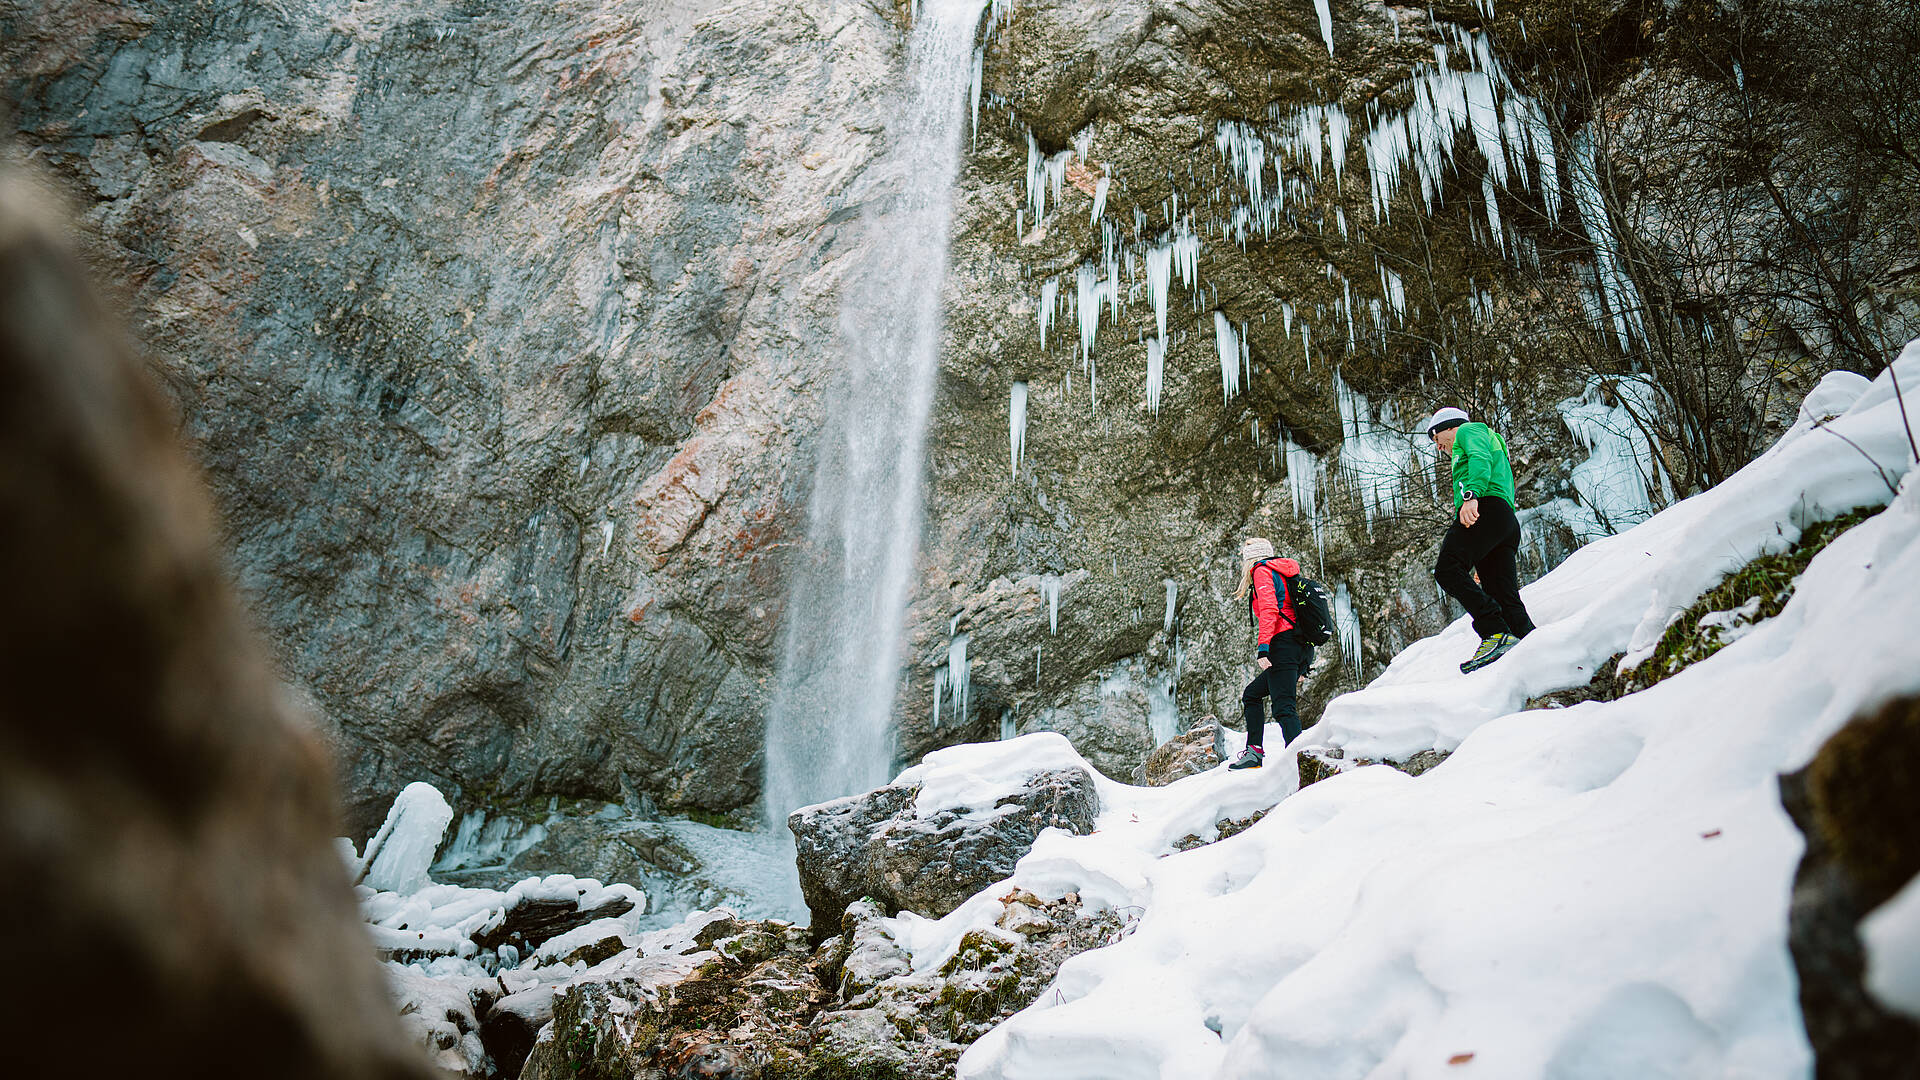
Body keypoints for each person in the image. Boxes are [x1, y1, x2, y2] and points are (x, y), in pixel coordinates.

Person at [1423, 406, 1536, 674]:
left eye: (1437, 439)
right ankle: (1533, 648)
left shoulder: (1469, 430)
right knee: (1504, 596)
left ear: (1450, 427)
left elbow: (1479, 457)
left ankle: (1494, 631)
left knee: (1447, 570)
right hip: (1503, 520)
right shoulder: (1485, 438)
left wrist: (1471, 495)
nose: (1439, 448)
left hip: (1487, 507)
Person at [1228, 538, 1314, 770]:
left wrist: (1263, 647)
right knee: (1252, 695)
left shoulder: (1262, 571)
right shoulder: (1284, 572)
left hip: (1282, 644)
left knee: (1284, 707)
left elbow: (1270, 611)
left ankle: (1301, 764)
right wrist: (1303, 664)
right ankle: (1254, 752)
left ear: (1251, 559)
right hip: (1297, 645)